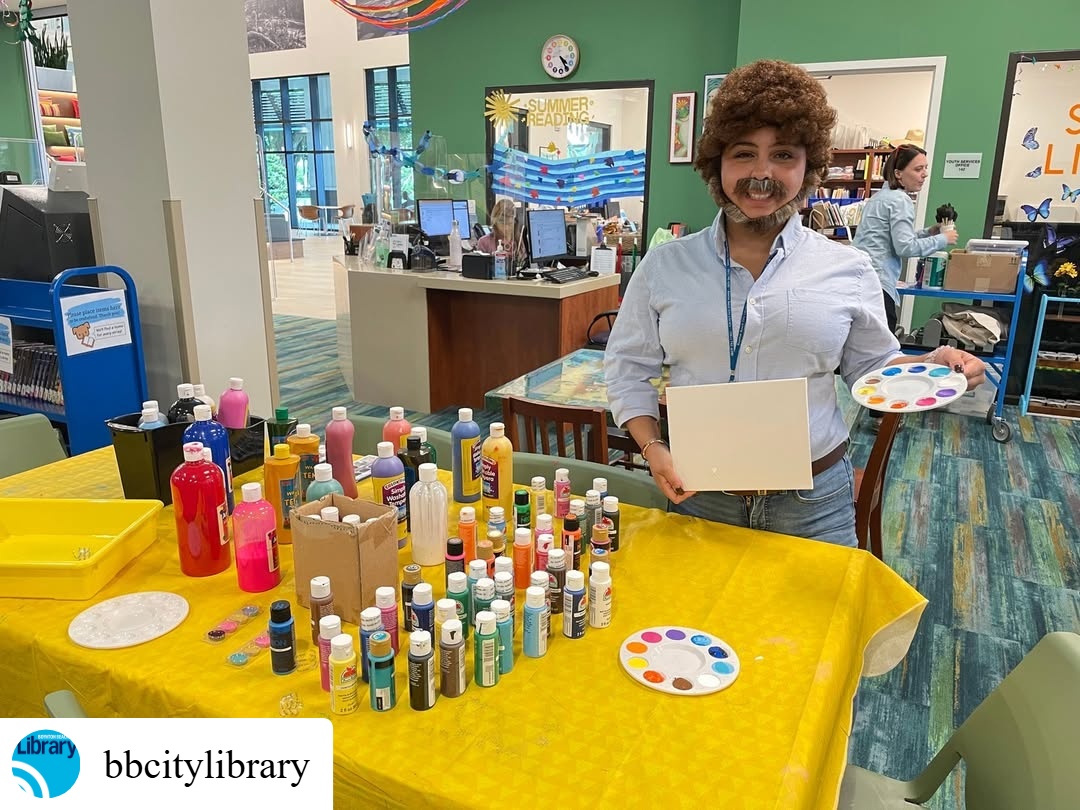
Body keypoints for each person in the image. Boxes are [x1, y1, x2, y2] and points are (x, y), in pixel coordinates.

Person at [602, 59, 985, 547]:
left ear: (809, 168)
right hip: (701, 491)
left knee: (813, 623)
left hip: (813, 499)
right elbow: (627, 368)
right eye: (743, 154)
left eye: (783, 155)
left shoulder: (847, 268)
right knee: (702, 620)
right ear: (716, 165)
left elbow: (872, 366)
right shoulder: (665, 268)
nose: (761, 174)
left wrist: (927, 364)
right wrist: (653, 447)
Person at [852, 143, 958, 335]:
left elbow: (892, 240)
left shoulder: (879, 197)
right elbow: (905, 248)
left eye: (925, 168)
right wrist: (943, 239)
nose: (924, 174)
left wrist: (929, 232)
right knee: (879, 350)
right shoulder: (900, 200)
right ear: (898, 173)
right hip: (878, 285)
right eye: (918, 169)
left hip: (862, 279)